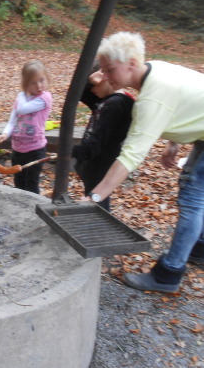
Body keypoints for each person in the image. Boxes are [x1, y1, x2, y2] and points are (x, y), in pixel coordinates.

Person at [87, 31, 204, 293]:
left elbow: (131, 156)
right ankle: (199, 246)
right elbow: (188, 102)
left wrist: (95, 196)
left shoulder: (151, 96)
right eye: (103, 70)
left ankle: (168, 274)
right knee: (196, 193)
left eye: (109, 70)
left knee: (193, 198)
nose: (104, 76)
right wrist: (174, 143)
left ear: (131, 63)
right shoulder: (156, 69)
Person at [71, 63, 135, 211]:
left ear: (106, 80)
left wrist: (72, 151)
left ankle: (99, 227)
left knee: (98, 203)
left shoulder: (117, 104)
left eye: (93, 86)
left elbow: (98, 140)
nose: (92, 91)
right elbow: (80, 93)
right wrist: (92, 81)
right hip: (93, 162)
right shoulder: (106, 99)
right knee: (94, 198)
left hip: (101, 163)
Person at [0, 60, 52, 194]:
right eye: (33, 82)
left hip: (35, 149)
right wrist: (5, 133)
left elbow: (21, 109)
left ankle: (33, 211)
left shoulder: (45, 97)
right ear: (26, 83)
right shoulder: (22, 99)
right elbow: (12, 121)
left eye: (42, 80)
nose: (39, 85)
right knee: (19, 182)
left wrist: (21, 94)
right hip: (18, 149)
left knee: (31, 183)